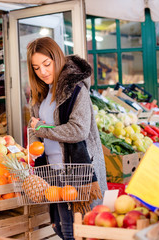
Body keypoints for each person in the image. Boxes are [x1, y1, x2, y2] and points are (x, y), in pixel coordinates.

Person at [26, 37, 107, 239]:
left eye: (47, 64)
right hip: (54, 174)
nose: (43, 72)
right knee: (61, 229)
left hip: (78, 172)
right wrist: (32, 140)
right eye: (36, 68)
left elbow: (77, 130)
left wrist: (41, 130)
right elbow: (35, 129)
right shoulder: (41, 95)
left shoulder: (77, 91)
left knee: (80, 232)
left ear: (58, 59)